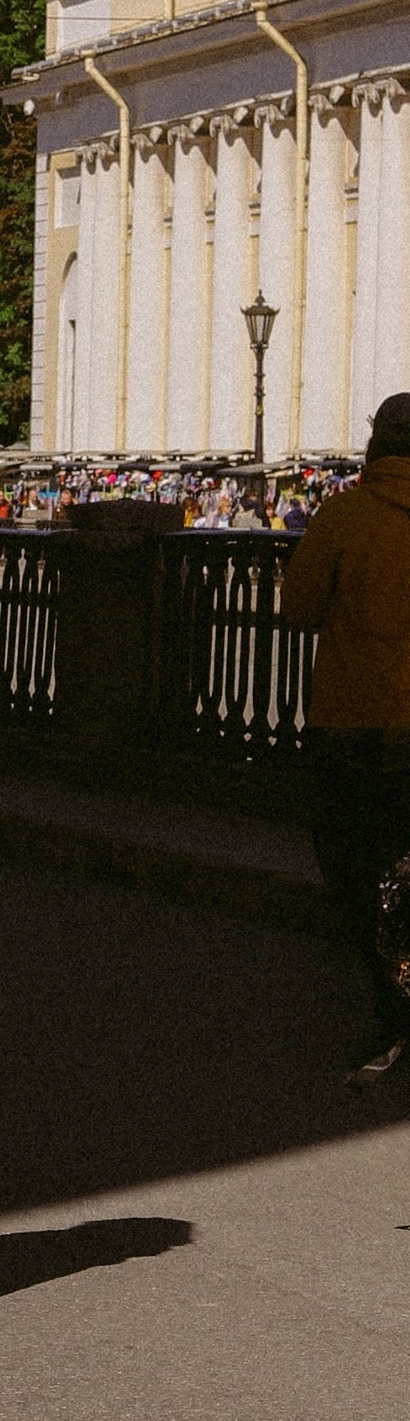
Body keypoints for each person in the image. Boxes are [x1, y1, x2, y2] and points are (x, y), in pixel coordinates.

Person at [280, 394, 410, 1083]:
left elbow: (297, 607)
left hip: (352, 723)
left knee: (356, 869)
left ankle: (392, 1008)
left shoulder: (344, 515)